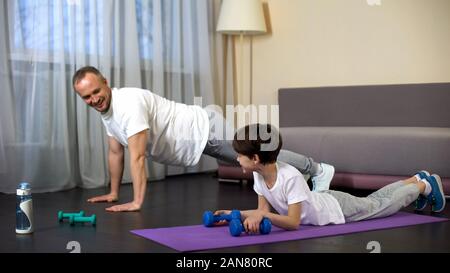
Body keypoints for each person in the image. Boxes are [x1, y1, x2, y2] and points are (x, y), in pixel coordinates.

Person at [72, 66, 335, 212]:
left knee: (257, 159)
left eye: (96, 92)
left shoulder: (128, 104)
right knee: (253, 160)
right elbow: (115, 151)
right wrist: (114, 192)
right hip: (198, 134)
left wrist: (137, 202)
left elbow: (137, 156)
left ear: (105, 82)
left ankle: (318, 169)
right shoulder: (108, 113)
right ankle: (313, 171)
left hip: (202, 130)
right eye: (86, 97)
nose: (94, 100)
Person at [214, 123, 446, 233]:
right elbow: (263, 210)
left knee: (381, 204)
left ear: (255, 158)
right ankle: (416, 178)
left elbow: (293, 223)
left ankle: (424, 185)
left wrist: (263, 215)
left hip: (337, 209)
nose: (236, 158)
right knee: (376, 199)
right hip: (324, 200)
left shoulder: (290, 177)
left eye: (240, 155)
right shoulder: (259, 175)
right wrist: (233, 213)